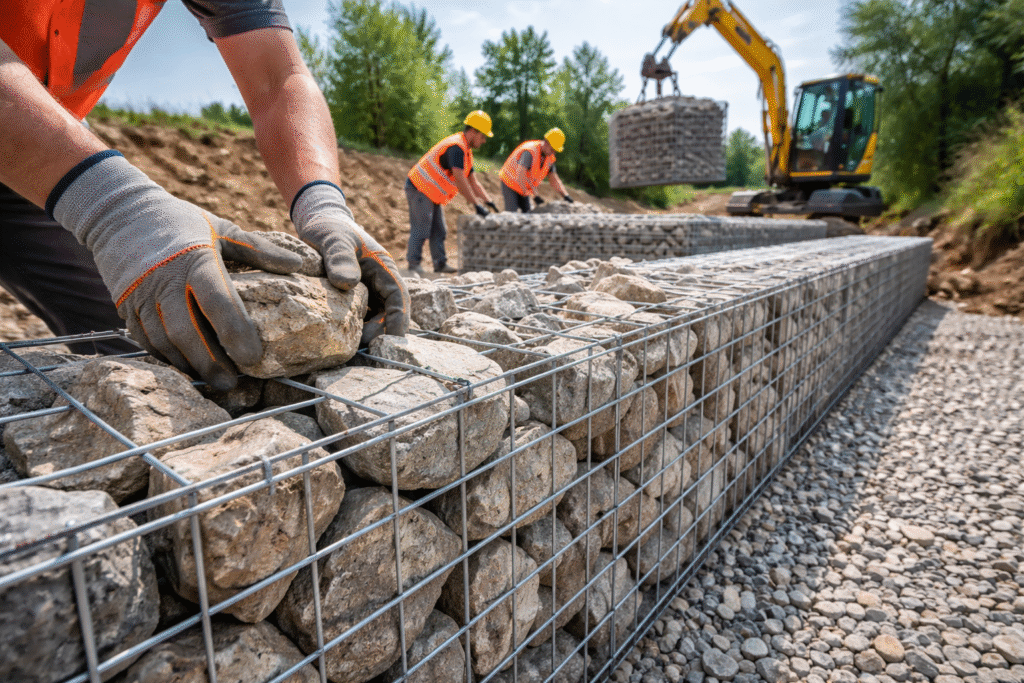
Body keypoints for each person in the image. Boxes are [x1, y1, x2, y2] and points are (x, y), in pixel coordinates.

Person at [0, 0, 409, 392]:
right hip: (50, 155)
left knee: (158, 329)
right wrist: (115, 207)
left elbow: (276, 78)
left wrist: (322, 204)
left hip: (45, 153)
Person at [405, 111, 498, 277]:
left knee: (439, 229)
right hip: (419, 187)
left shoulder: (466, 151)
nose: (484, 141)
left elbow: (474, 182)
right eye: (483, 136)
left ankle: (440, 264)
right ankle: (413, 265)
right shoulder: (456, 147)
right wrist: (476, 205)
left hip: (431, 191)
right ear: (473, 131)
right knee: (422, 227)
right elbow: (460, 180)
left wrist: (489, 201)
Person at [499, 128, 574, 212]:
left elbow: (554, 179)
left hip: (524, 185)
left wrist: (566, 196)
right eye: (552, 149)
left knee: (528, 214)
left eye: (555, 151)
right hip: (510, 182)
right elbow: (520, 175)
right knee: (512, 213)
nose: (553, 153)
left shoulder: (550, 158)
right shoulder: (530, 152)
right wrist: (534, 196)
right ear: (546, 142)